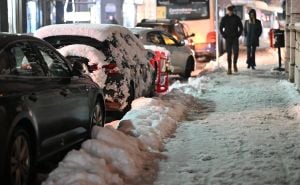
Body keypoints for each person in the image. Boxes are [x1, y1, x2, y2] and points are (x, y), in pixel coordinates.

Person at [219, 5, 243, 74]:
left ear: (232, 11)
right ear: (227, 11)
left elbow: (241, 27)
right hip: (228, 38)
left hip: (235, 38)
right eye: (229, 11)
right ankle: (229, 68)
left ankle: (234, 64)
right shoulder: (224, 18)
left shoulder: (236, 18)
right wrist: (224, 35)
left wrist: (238, 35)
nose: (230, 12)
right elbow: (221, 28)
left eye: (231, 11)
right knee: (229, 53)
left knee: (236, 52)